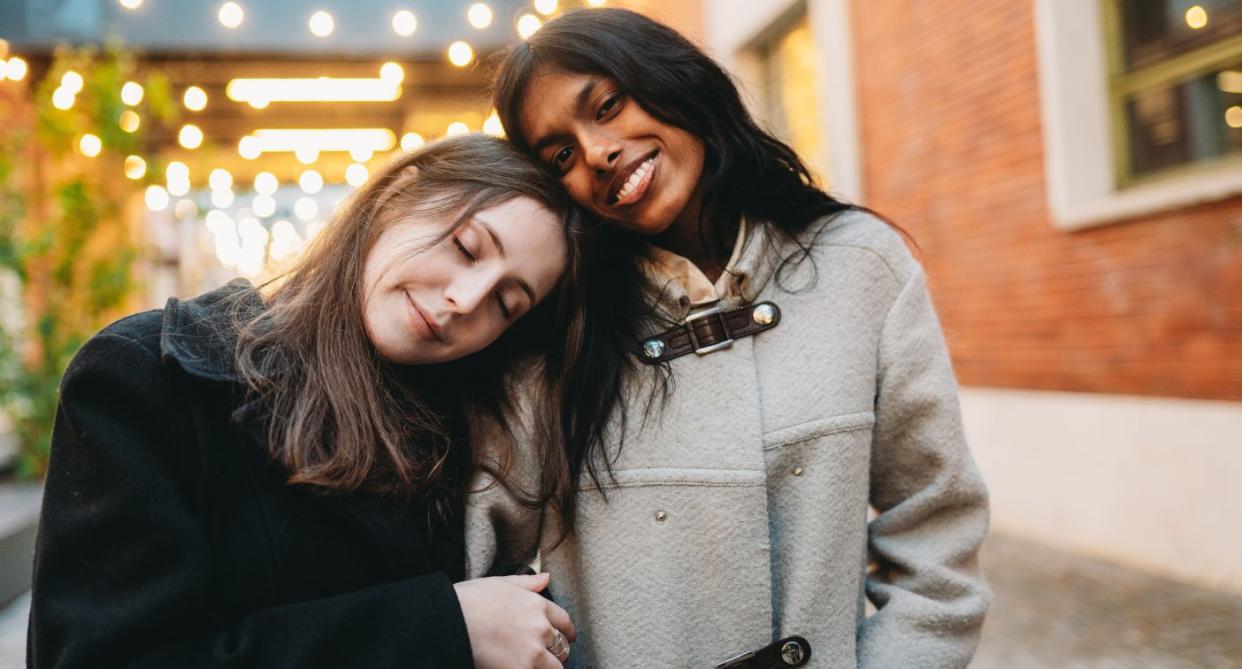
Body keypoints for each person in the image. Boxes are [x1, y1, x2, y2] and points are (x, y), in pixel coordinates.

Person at [467, 8, 991, 668]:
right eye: (562, 155)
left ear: (673, 79)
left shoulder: (862, 267)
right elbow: (482, 572)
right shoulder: (552, 332)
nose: (598, 153)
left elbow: (936, 532)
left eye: (607, 105)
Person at [29, 135, 581, 669]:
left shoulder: (472, 442)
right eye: (465, 247)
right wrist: (444, 627)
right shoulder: (147, 377)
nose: (465, 300)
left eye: (506, 303)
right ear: (396, 197)